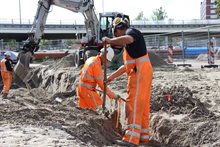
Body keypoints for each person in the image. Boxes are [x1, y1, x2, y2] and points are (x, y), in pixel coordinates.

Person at [102, 16, 153, 146]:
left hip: (139, 74)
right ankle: (143, 136)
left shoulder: (131, 33)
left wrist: (110, 40)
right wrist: (111, 78)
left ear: (118, 30)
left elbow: (127, 38)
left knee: (134, 104)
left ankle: (131, 139)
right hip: (143, 73)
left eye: (115, 33)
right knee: (142, 105)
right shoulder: (130, 47)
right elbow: (125, 67)